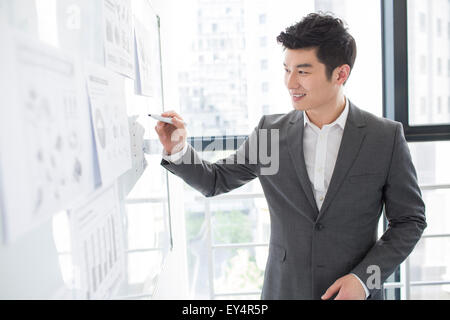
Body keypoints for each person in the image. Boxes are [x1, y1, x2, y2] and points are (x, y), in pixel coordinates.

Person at [155, 12, 426, 300]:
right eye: (287, 69)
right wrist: (178, 147)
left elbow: (410, 220)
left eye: (303, 72)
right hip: (284, 291)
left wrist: (363, 280)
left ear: (340, 74)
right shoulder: (271, 134)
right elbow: (215, 181)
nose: (290, 82)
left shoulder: (383, 137)